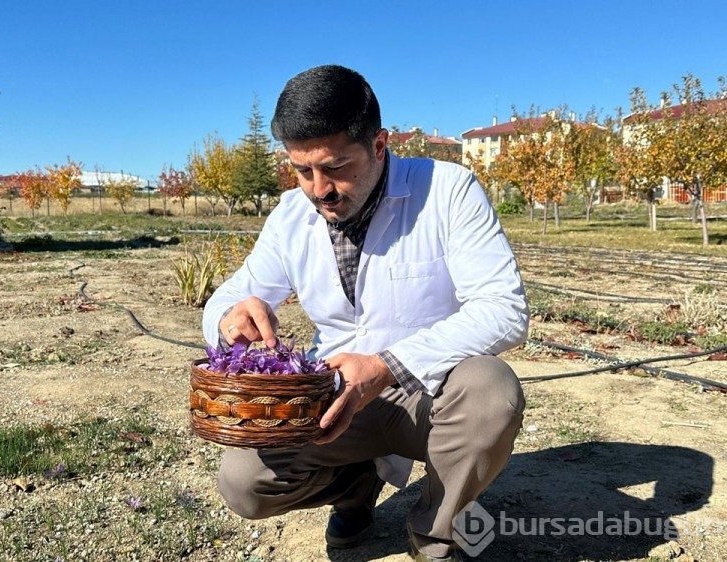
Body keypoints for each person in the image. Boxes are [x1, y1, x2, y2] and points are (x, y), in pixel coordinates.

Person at [202, 64, 528, 562]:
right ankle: (356, 485)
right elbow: (233, 296)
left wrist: (385, 366)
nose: (318, 189)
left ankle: (435, 532)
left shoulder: (447, 191)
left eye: (334, 167)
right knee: (245, 482)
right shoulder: (292, 215)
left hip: (429, 393)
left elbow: (503, 309)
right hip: (334, 402)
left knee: (490, 392)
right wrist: (230, 317)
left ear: (379, 145)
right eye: (302, 170)